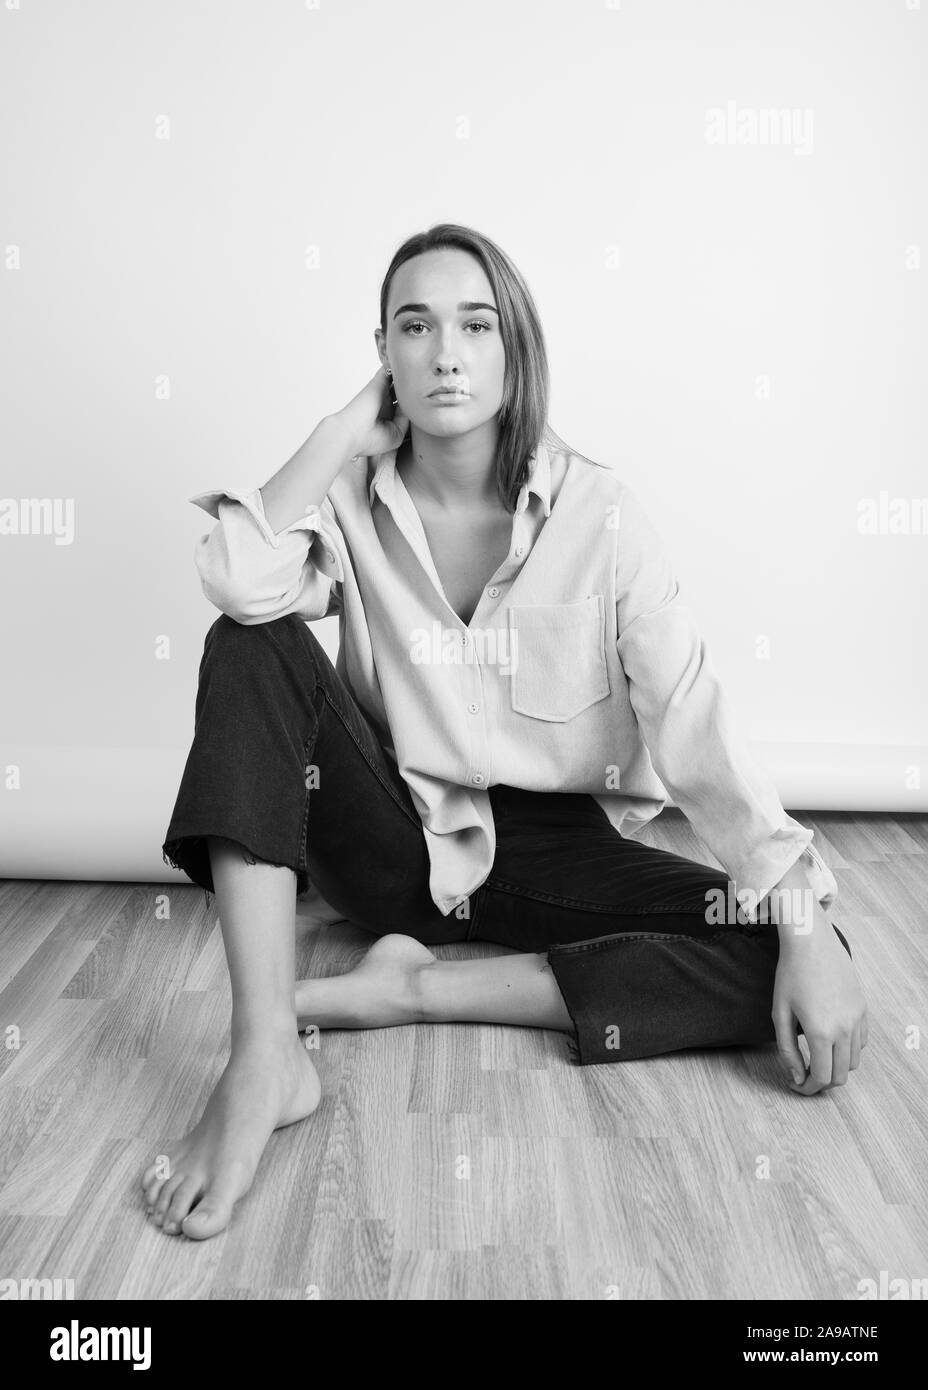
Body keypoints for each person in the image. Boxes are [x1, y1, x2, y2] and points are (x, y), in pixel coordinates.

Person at [149, 223, 867, 1241]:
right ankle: (266, 1046)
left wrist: (799, 918)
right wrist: (340, 429)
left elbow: (690, 713)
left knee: (791, 948)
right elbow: (236, 576)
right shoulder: (349, 502)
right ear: (384, 355)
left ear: (513, 347)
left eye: (474, 324)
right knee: (248, 639)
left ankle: (410, 989)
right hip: (390, 833)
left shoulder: (601, 512)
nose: (445, 350)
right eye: (415, 326)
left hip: (553, 849)